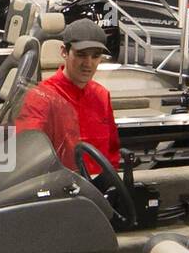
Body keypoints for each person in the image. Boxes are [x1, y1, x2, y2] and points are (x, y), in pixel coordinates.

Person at [15, 19, 120, 170]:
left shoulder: (101, 95)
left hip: (99, 186)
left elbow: (112, 150)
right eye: (81, 55)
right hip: (63, 187)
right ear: (64, 51)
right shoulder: (41, 97)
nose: (88, 63)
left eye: (95, 56)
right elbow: (27, 155)